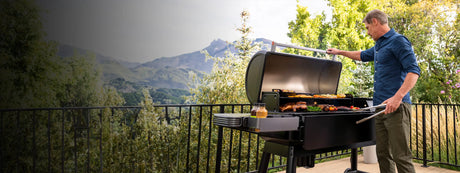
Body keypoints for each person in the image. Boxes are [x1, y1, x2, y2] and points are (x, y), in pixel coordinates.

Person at [326, 9, 420, 173]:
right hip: (379, 108)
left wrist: (397, 98)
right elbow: (361, 55)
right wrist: (339, 52)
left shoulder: (398, 41)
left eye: (368, 27)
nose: (368, 32)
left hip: (396, 107)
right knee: (383, 154)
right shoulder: (379, 46)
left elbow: (414, 71)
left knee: (401, 157)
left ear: (375, 21)